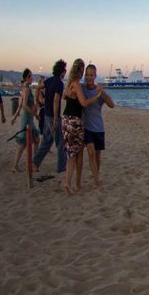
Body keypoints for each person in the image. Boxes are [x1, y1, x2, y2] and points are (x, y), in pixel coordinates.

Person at [61, 59, 106, 194]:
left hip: (65, 120)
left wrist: (68, 94)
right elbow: (84, 103)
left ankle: (70, 183)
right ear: (81, 71)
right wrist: (98, 95)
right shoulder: (77, 84)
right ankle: (76, 183)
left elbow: (64, 96)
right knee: (78, 154)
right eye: (85, 72)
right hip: (74, 121)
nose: (86, 76)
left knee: (71, 154)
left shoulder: (71, 84)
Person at [81, 64, 114, 188]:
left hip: (99, 128)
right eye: (87, 75)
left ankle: (96, 174)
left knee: (97, 155)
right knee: (90, 152)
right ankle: (96, 180)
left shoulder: (99, 91)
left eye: (91, 75)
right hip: (87, 127)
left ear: (95, 76)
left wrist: (102, 93)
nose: (89, 77)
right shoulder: (82, 88)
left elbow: (112, 105)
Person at [33, 59, 67, 176]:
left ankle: (35, 163)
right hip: (53, 116)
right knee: (61, 143)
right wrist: (56, 119)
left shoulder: (49, 80)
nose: (65, 72)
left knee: (46, 142)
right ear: (62, 71)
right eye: (65, 70)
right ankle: (61, 167)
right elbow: (56, 101)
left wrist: (38, 101)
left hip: (46, 115)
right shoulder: (59, 83)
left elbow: (37, 87)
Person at [10, 69, 38, 173]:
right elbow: (24, 106)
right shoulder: (26, 89)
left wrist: (15, 117)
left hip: (28, 118)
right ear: (27, 78)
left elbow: (21, 104)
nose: (32, 78)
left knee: (33, 141)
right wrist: (35, 114)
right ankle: (31, 163)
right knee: (25, 143)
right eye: (31, 76)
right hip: (27, 119)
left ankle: (32, 163)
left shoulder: (26, 88)